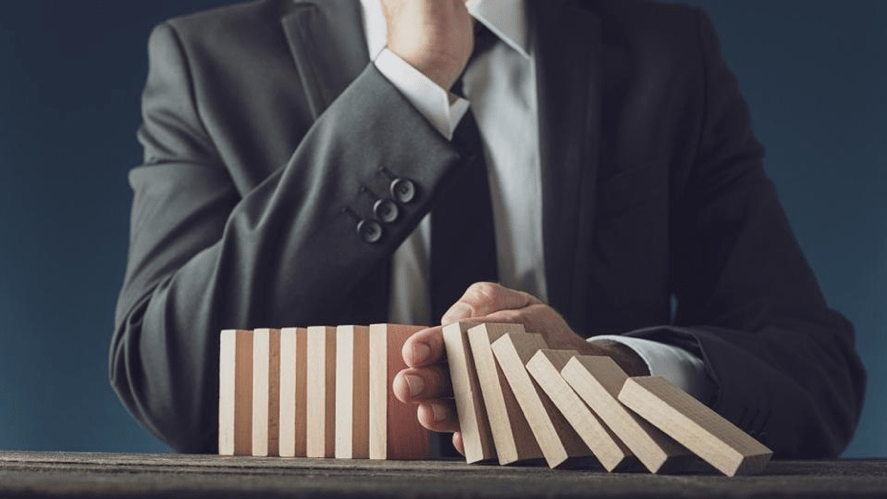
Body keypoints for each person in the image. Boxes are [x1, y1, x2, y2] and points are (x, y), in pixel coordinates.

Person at [111, 0, 866, 458]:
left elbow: (813, 374)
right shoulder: (207, 62)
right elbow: (173, 384)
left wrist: (609, 377)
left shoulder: (668, 57)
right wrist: (407, 82)